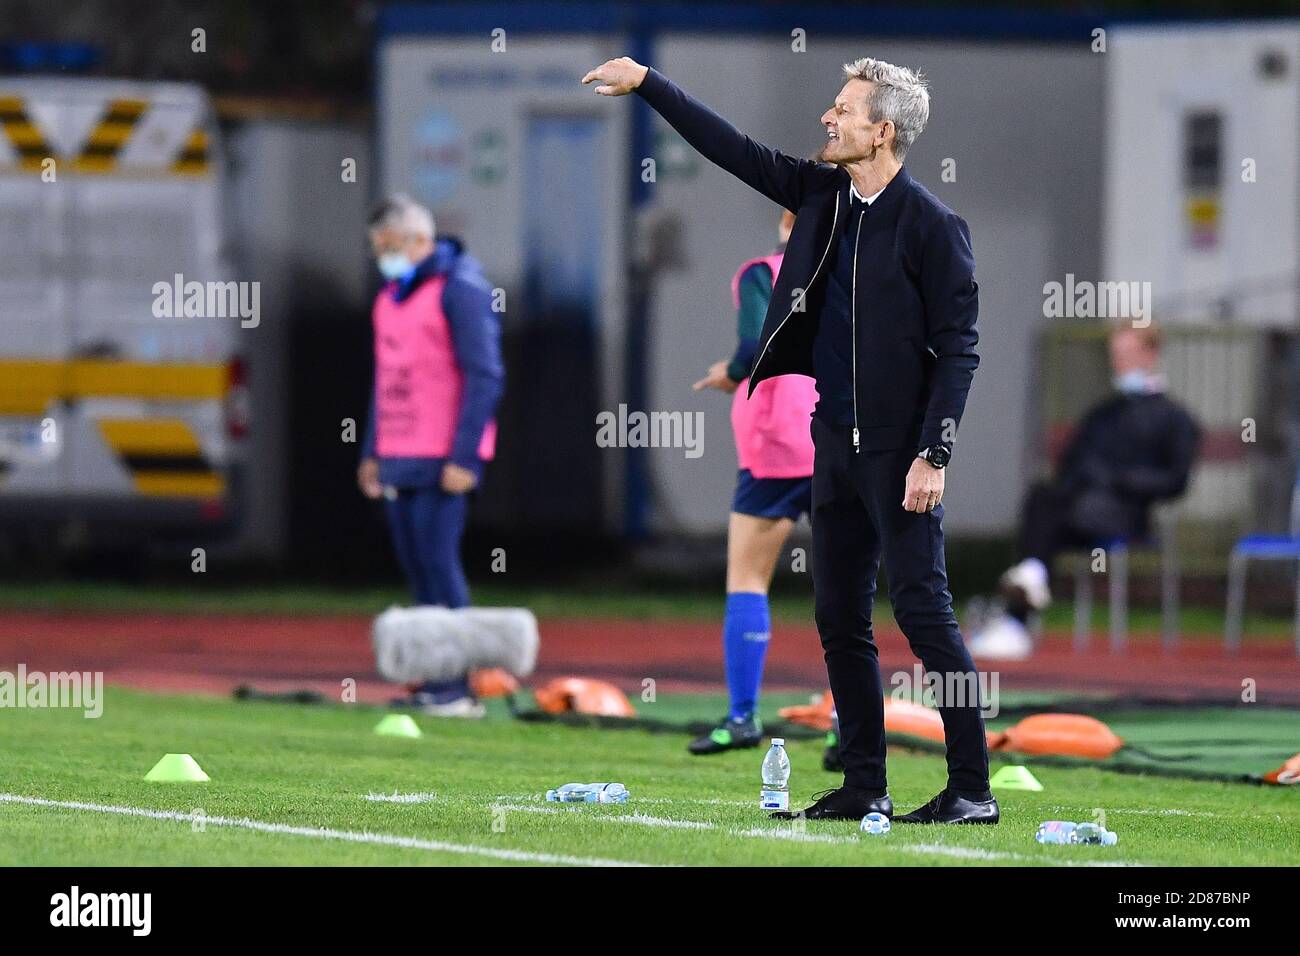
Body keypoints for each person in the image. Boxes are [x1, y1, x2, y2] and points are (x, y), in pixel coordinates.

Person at [582, 56, 995, 823]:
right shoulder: (821, 196)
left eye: (843, 110)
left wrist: (934, 453)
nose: (827, 120)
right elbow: (733, 149)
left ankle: (971, 788)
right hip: (829, 445)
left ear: (884, 130)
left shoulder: (934, 227)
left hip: (901, 454)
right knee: (839, 617)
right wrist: (649, 83)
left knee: (923, 614)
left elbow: (959, 351)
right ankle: (864, 782)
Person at [969, 324, 1201, 659]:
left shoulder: (1176, 419)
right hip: (1076, 509)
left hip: (1125, 515)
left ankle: (1022, 600)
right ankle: (1026, 591)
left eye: (1127, 354)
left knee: (1053, 510)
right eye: (1115, 356)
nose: (1120, 363)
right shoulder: (1102, 414)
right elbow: (1071, 464)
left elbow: (1175, 482)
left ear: (1150, 354)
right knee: (1042, 498)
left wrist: (1121, 480)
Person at [358, 194, 505, 717]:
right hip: (400, 449)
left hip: (442, 452)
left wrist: (465, 456)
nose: (384, 257)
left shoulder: (459, 289)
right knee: (417, 566)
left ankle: (459, 687)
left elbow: (484, 375)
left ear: (422, 241)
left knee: (440, 565)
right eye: (378, 248)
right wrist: (372, 449)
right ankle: (435, 676)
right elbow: (385, 379)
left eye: (392, 247)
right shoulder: (392, 295)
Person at [688, 210, 818, 755]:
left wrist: (730, 374)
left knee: (747, 578)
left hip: (779, 444)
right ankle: (846, 727)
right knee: (847, 591)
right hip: (844, 437)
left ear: (788, 220)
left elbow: (755, 346)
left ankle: (743, 716)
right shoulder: (858, 268)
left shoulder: (763, 273)